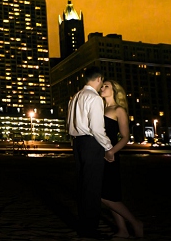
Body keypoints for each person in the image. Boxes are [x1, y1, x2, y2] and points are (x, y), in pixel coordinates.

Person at [67, 67, 114, 239]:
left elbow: (69, 123)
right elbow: (97, 128)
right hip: (91, 143)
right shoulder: (94, 98)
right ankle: (90, 229)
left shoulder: (76, 97)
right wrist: (108, 147)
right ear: (99, 79)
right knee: (92, 187)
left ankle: (83, 225)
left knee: (82, 185)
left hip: (78, 142)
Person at [99, 80, 144, 239]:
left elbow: (125, 137)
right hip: (99, 155)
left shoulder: (119, 110)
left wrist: (111, 152)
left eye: (106, 86)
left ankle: (135, 222)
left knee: (104, 196)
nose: (102, 88)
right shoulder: (100, 108)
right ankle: (122, 230)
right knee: (112, 195)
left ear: (115, 91)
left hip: (110, 155)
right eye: (102, 85)